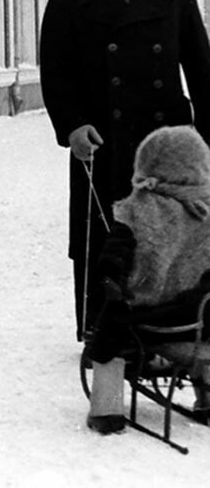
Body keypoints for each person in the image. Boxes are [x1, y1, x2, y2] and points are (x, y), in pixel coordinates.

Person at [40, 0, 210, 341]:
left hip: (165, 146)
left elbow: (202, 69)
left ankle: (172, 330)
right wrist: (73, 125)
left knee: (173, 234)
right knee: (105, 234)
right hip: (103, 141)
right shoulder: (69, 0)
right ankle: (104, 329)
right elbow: (56, 74)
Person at [84, 126, 210, 434]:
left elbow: (111, 261)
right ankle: (206, 398)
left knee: (107, 337)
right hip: (199, 328)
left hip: (144, 326)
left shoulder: (137, 210)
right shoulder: (205, 210)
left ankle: (107, 409)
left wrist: (111, 284)